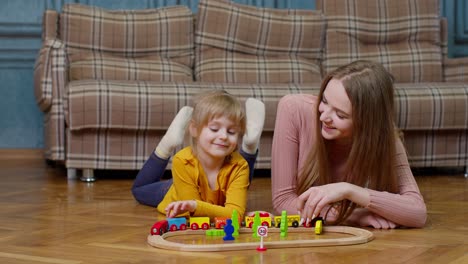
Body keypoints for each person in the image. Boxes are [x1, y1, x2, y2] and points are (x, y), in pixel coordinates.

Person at [271, 60, 427, 229]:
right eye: (324, 100)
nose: (323, 117)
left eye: (340, 114)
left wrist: (350, 191)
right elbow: (283, 200)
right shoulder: (293, 109)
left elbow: (418, 213)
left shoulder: (385, 139)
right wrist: (350, 216)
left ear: (366, 122)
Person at [132, 90, 265, 219]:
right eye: (214, 129)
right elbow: (192, 212)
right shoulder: (183, 161)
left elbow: (234, 214)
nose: (224, 136)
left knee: (236, 169)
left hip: (203, 185)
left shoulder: (240, 166)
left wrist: (237, 215)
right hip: (180, 186)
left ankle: (250, 144)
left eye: (231, 132)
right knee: (139, 190)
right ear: (194, 129)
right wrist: (234, 214)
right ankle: (167, 144)